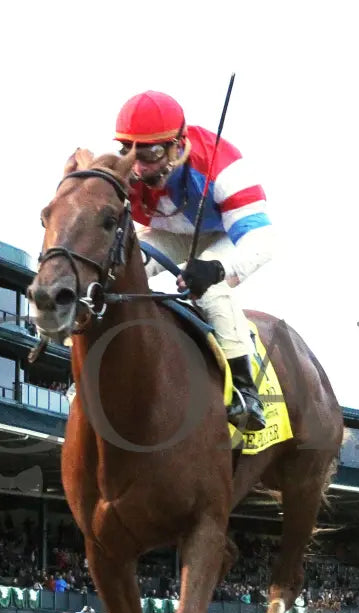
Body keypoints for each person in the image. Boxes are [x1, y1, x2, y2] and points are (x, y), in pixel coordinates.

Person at [113, 89, 273, 431]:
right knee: (121, 269)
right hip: (170, 232)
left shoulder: (225, 168)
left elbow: (262, 240)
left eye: (152, 153)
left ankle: (246, 393)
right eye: (128, 151)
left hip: (224, 234)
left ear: (176, 145)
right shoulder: (126, 173)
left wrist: (217, 268)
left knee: (209, 289)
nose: (138, 167)